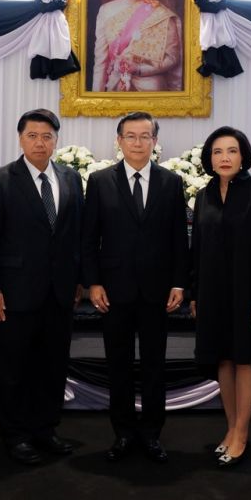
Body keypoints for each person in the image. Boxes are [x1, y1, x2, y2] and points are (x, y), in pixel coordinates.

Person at [0, 108, 84, 465]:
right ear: (20, 139)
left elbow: (75, 235)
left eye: (47, 136)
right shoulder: (0, 180)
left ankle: (45, 429)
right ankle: (15, 435)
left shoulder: (71, 178)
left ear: (56, 140)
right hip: (12, 294)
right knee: (12, 369)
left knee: (52, 366)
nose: (40, 142)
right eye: (32, 136)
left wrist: (78, 280)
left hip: (59, 293)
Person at [81, 111, 189, 463]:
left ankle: (152, 433)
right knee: (119, 364)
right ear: (119, 140)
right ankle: (124, 433)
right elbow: (89, 239)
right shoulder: (100, 181)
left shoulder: (171, 182)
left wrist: (179, 283)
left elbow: (179, 239)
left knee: (155, 365)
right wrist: (93, 283)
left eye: (145, 136)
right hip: (114, 291)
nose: (138, 142)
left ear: (155, 141)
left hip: (158, 291)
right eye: (131, 136)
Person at [188, 126, 251, 467]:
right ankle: (231, 427)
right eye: (218, 152)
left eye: (232, 151)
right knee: (222, 359)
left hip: (247, 292)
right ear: (210, 159)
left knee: (245, 358)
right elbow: (196, 249)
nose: (224, 157)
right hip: (212, 292)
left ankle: (241, 432)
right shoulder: (204, 195)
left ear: (243, 156)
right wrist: (195, 294)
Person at [91, 0, 183, 92]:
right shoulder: (105, 11)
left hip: (151, 89)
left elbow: (173, 58)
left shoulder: (160, 13)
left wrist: (140, 69)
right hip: (116, 88)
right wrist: (96, 98)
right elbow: (100, 63)